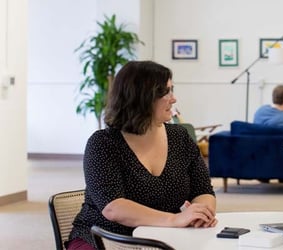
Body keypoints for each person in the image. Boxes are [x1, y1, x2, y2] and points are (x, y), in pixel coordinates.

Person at [66, 61, 217, 249]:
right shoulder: (103, 143)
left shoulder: (180, 137)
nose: (174, 98)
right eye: (165, 92)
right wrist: (175, 219)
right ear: (142, 98)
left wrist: (201, 213)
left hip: (165, 237)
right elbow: (113, 208)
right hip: (105, 238)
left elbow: (203, 191)